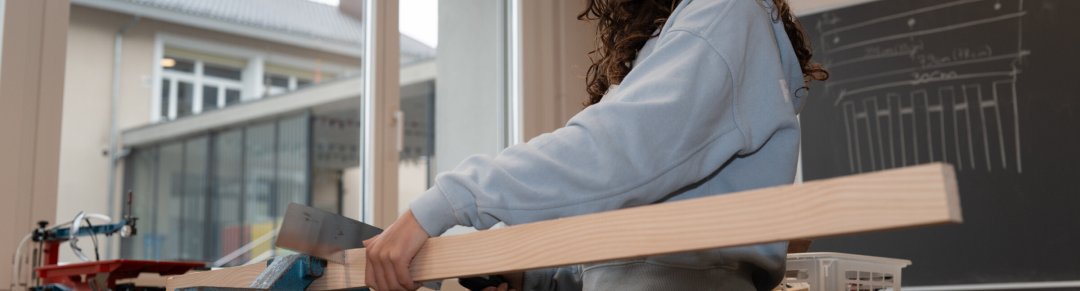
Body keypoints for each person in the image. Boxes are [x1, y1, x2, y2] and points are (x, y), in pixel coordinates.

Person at [364, 0, 828, 290]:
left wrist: (449, 199)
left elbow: (617, 152)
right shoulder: (688, 32)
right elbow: (638, 248)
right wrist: (537, 277)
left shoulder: (725, 12)